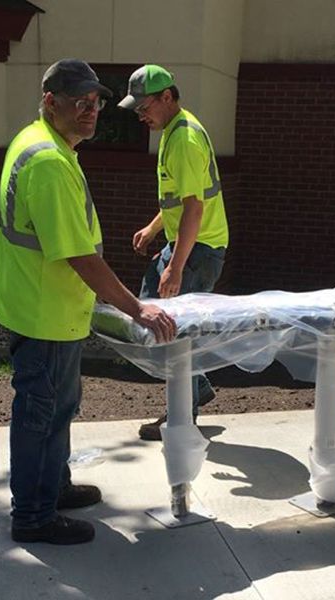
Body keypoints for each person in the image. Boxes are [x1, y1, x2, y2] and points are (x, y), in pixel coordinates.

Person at [0, 59, 176, 545]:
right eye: (79, 104)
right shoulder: (48, 160)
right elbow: (78, 256)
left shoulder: (39, 141)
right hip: (43, 312)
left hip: (45, 306)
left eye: (96, 104)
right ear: (51, 102)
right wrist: (138, 308)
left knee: (58, 408)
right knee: (41, 413)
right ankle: (32, 515)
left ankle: (54, 487)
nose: (91, 112)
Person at [118, 64, 229, 441]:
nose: (141, 115)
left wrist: (176, 267)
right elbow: (179, 203)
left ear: (167, 97)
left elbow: (194, 209)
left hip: (198, 250)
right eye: (136, 110)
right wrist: (153, 229)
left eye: (144, 106)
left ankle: (183, 417)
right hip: (191, 245)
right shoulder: (174, 130)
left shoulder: (183, 140)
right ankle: (195, 390)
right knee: (160, 318)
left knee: (169, 328)